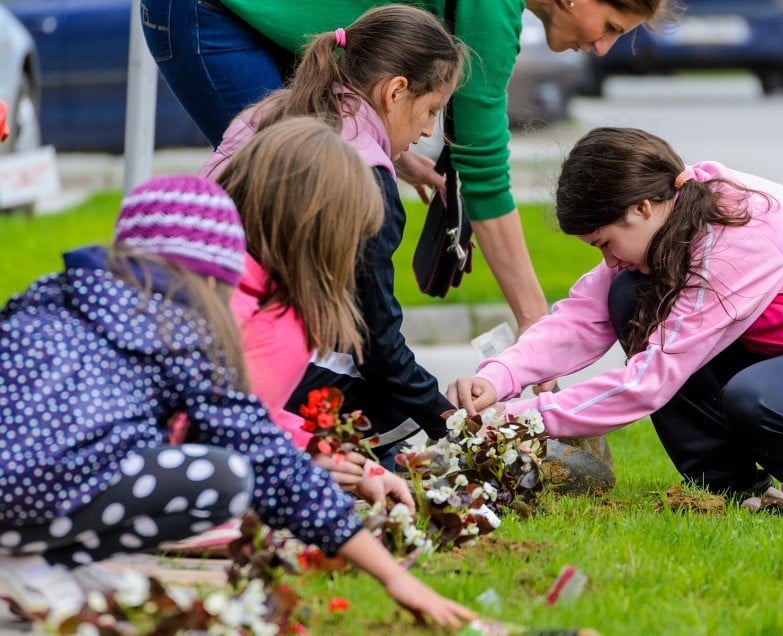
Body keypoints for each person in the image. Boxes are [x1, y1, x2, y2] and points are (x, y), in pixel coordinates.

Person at [0, 165, 475, 627]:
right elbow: (265, 457)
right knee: (224, 476)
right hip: (34, 497)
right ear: (209, 281)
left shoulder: (46, 298)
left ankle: (33, 560)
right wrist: (393, 577)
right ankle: (38, 563)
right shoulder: (180, 332)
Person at [447, 127, 783, 514]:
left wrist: (518, 421)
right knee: (628, 294)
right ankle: (731, 487)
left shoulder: (735, 243)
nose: (609, 259)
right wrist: (498, 379)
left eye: (605, 243)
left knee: (756, 398)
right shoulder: (672, 211)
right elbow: (580, 317)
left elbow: (649, 382)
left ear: (641, 208)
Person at [140, 0, 677, 340]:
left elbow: (362, 87)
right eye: (609, 25)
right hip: (211, 13)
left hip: (254, 25)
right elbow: (482, 171)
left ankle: (325, 416)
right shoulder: (492, 11)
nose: (604, 47)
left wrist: (386, 145)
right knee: (285, 213)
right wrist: (537, 322)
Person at [201, 5, 465, 466]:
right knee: (387, 398)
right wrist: (452, 423)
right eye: (431, 111)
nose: (427, 131)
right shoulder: (364, 183)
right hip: (240, 367)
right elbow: (375, 345)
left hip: (189, 337)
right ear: (395, 91)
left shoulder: (268, 113)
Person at [215, 113, 419, 503]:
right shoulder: (277, 323)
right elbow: (232, 436)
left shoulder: (220, 273)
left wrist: (335, 458)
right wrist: (312, 469)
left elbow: (253, 416)